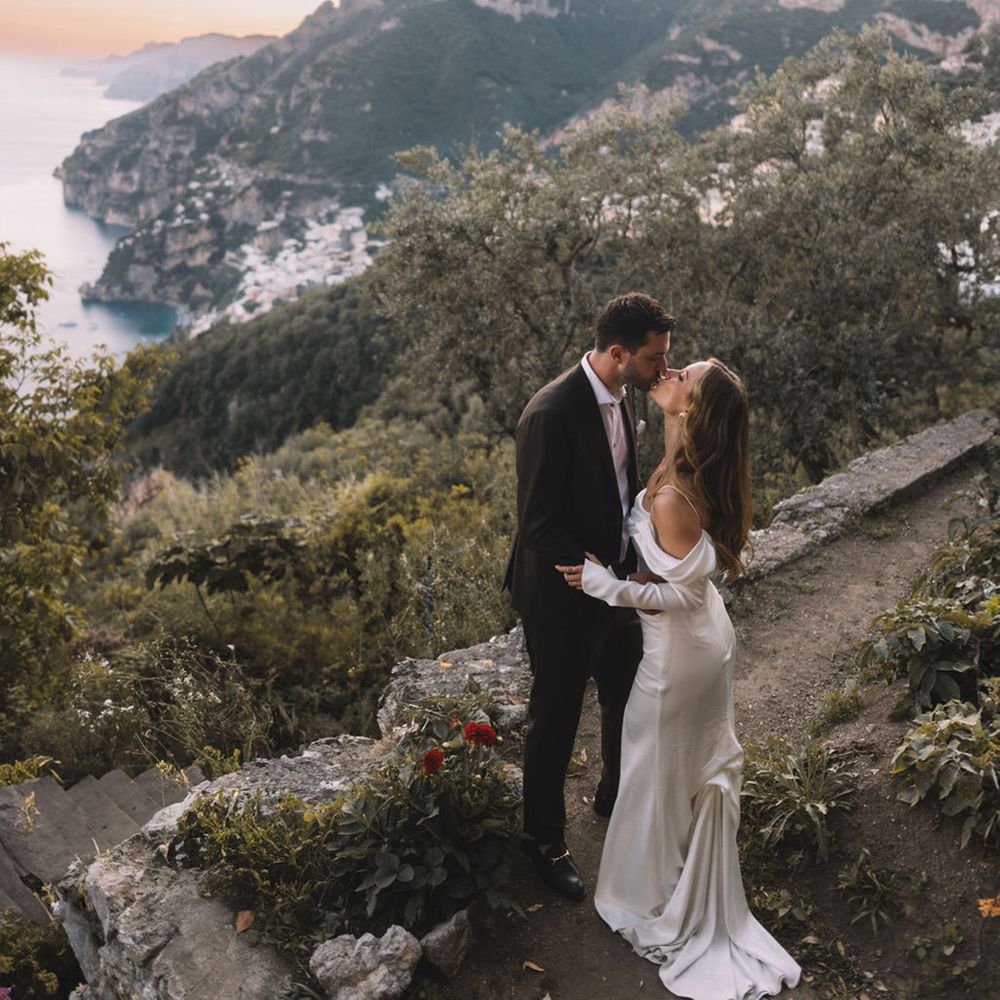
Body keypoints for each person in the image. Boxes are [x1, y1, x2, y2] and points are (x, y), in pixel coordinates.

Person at [557, 359, 801, 998]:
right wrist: (671, 415)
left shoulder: (672, 497)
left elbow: (680, 594)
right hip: (703, 644)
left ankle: (653, 896)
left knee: (653, 765)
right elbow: (683, 571)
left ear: (692, 410)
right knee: (671, 765)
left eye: (684, 374)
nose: (671, 367)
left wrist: (606, 584)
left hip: (679, 655)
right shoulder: (692, 467)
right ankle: (676, 872)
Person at [504, 292, 673, 901]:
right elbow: (537, 523)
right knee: (554, 719)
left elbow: (622, 489)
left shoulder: (626, 397)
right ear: (619, 352)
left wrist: (640, 560)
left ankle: (613, 794)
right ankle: (544, 841)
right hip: (560, 598)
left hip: (618, 589)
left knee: (626, 700)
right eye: (655, 359)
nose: (663, 370)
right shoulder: (550, 412)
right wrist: (590, 570)